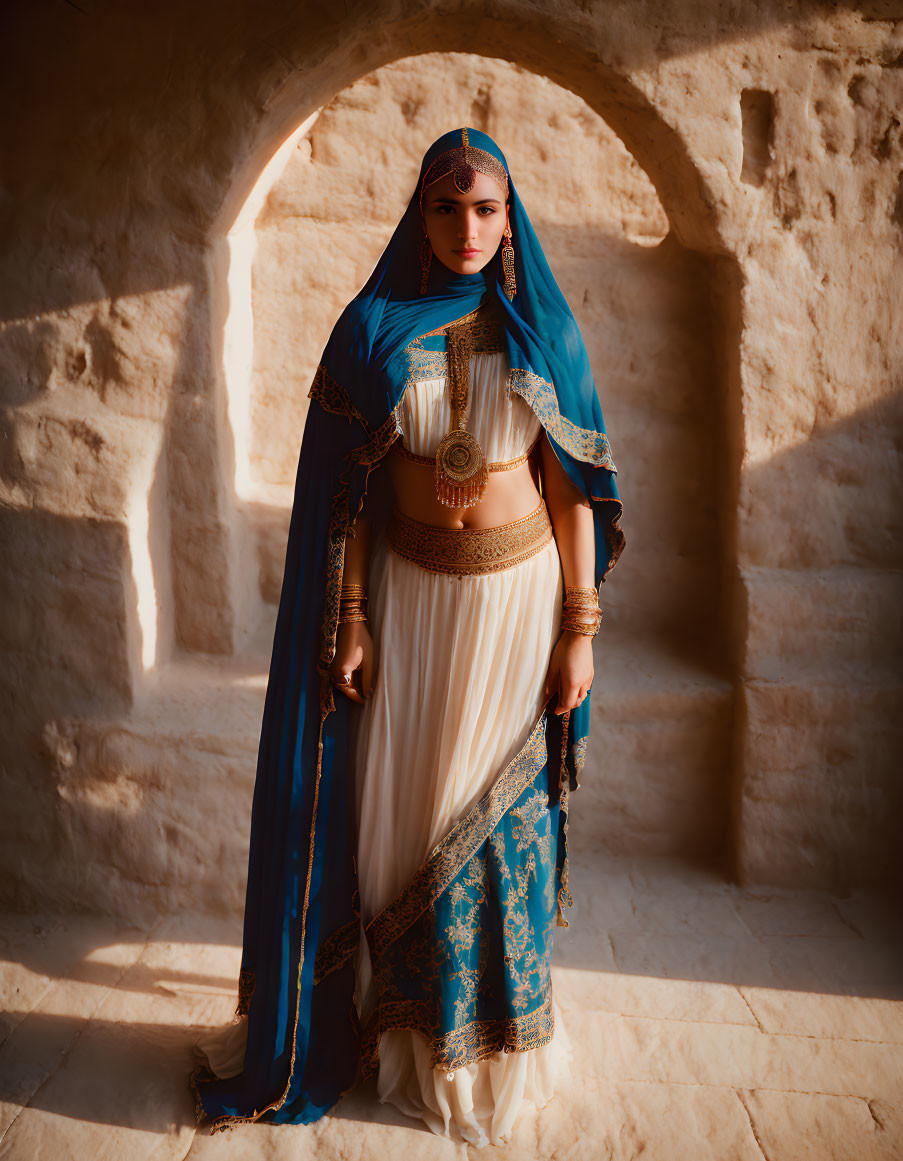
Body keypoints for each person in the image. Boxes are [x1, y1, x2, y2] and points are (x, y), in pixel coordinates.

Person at [190, 126, 625, 1147]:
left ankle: (485, 1057)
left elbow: (572, 494)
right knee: (401, 823)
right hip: (411, 606)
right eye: (446, 207)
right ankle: (398, 1043)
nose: (467, 228)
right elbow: (348, 499)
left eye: (485, 210)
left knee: (494, 824)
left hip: (515, 613)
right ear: (418, 213)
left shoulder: (542, 335)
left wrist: (580, 629)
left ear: (508, 218)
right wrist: (350, 621)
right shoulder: (373, 331)